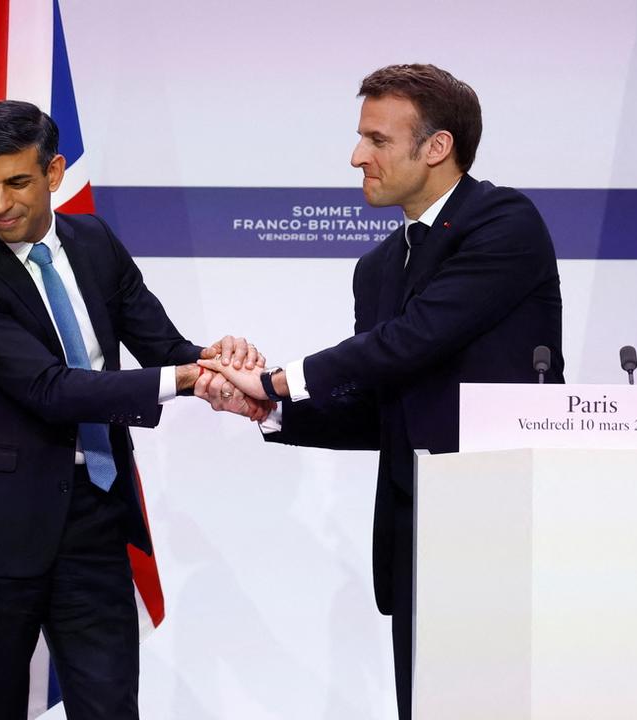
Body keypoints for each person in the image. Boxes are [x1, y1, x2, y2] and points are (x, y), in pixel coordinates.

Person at [202, 64, 565, 719]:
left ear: (436, 147)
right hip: (417, 534)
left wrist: (278, 375)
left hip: (504, 529)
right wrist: (271, 408)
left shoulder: (504, 222)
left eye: (376, 140)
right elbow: (379, 408)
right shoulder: (376, 269)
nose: (356, 157)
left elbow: (415, 338)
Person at [0, 100, 266, 720]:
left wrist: (221, 363)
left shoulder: (95, 241)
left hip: (95, 518)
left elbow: (164, 348)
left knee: (110, 710)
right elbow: (50, 389)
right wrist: (187, 379)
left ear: (54, 173)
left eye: (17, 182)